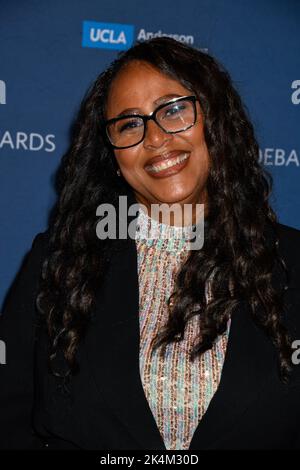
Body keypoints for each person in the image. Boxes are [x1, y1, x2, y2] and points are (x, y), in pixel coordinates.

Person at [1, 37, 300, 451]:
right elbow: (11, 419)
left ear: (215, 120)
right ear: (114, 159)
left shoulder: (294, 262)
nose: (155, 137)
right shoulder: (59, 260)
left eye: (174, 109)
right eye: (129, 123)